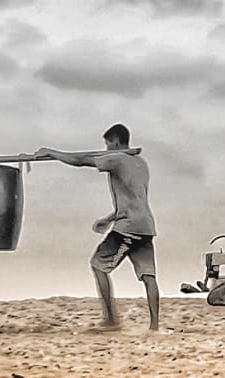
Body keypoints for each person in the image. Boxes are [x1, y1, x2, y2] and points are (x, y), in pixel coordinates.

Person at [36, 124, 159, 331]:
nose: (106, 148)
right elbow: (133, 200)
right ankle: (154, 326)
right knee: (148, 275)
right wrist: (109, 219)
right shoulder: (140, 163)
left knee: (98, 265)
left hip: (128, 227)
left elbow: (81, 160)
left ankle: (111, 321)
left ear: (116, 142)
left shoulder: (117, 159)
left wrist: (52, 153)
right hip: (146, 225)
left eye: (108, 144)